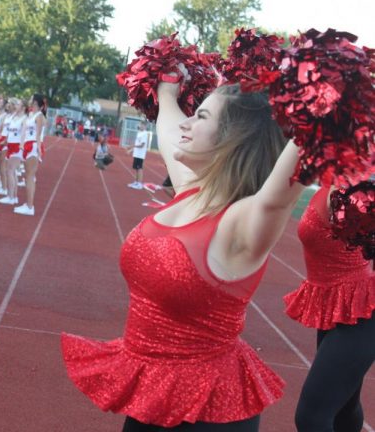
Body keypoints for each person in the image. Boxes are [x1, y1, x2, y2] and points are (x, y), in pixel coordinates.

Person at [62, 75, 308, 431]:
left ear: (234, 138)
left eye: (203, 117)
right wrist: (166, 85)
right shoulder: (191, 191)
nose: (188, 123)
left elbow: (278, 198)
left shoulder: (240, 223)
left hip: (208, 411)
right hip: (154, 393)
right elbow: (169, 117)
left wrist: (323, 107)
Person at [284, 185, 375, 432]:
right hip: (341, 306)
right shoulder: (334, 182)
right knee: (343, 408)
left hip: (362, 312)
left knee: (312, 418)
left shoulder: (354, 194)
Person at [15, 94, 47, 216]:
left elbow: (38, 135)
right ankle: (28, 204)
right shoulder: (31, 115)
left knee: (30, 177)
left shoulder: (39, 116)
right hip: (28, 145)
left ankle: (30, 206)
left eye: (31, 100)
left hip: (33, 146)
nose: (28, 101)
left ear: (35, 103)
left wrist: (39, 150)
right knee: (28, 177)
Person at [126, 121, 151, 189]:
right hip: (137, 154)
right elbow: (138, 144)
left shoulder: (145, 134)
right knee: (137, 168)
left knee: (139, 168)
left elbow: (142, 145)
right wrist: (131, 150)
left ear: (145, 126)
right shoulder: (140, 133)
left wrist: (131, 146)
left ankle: (139, 184)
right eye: (140, 125)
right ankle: (136, 182)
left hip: (140, 154)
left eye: (142, 125)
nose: (140, 126)